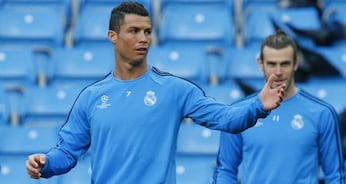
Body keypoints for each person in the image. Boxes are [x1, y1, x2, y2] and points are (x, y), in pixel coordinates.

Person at [25, 1, 286, 183]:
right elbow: (68, 152)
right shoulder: (91, 97)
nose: (143, 39)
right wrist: (45, 163)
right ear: (112, 36)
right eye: (134, 31)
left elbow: (226, 118)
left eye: (147, 32)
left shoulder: (174, 89)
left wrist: (258, 106)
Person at [213, 30, 346, 183]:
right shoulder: (237, 112)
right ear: (260, 64)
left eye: (284, 64)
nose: (278, 72)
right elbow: (225, 170)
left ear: (296, 63)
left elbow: (335, 175)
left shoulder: (322, 113)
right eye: (271, 64)